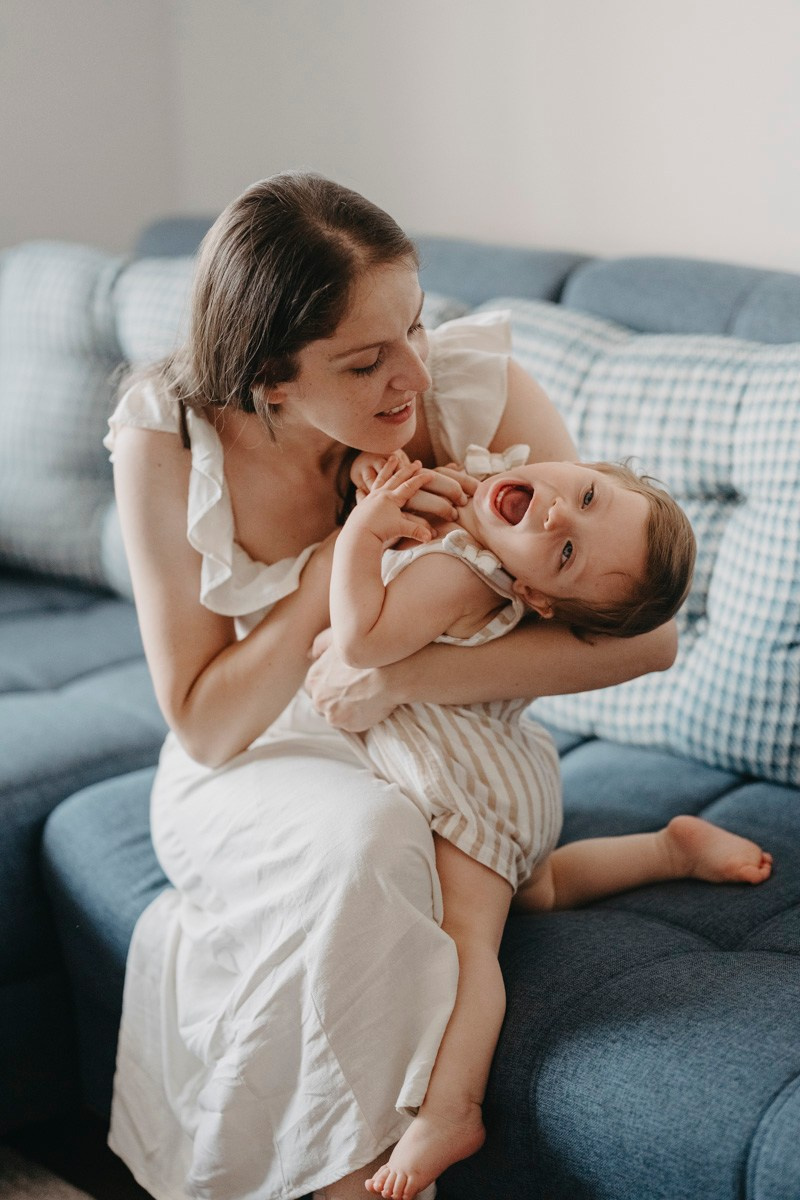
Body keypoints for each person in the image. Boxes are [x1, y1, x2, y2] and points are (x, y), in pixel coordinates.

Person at [105, 171, 684, 1200]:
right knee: (366, 840)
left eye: (412, 324)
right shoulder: (167, 435)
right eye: (367, 360)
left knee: (412, 846)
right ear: (266, 381)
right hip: (257, 748)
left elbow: (643, 637)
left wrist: (404, 670)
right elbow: (204, 723)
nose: (412, 375)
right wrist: (334, 568)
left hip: (423, 735)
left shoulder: (467, 386)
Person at [328, 448, 771, 1200]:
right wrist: (390, 491)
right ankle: (669, 847)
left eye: (567, 550)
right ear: (589, 465)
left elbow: (363, 644)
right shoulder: (481, 513)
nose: (561, 513)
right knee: (541, 885)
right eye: (590, 495)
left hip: (466, 780)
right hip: (505, 770)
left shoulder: (462, 571)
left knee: (471, 937)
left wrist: (358, 538)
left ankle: (452, 1108)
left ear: (534, 595)